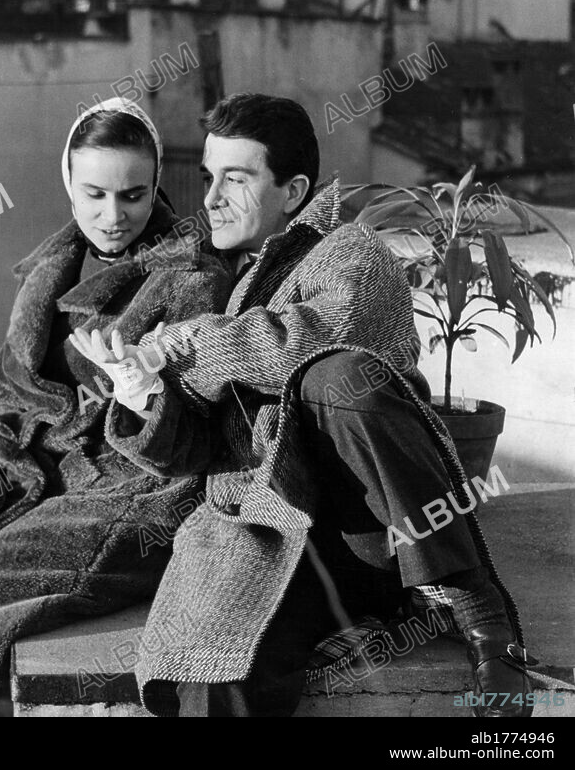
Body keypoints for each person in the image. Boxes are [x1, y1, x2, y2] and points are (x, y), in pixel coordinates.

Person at [74, 92, 532, 719]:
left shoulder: (353, 252)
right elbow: (195, 454)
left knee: (336, 377)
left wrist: (176, 344)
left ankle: (478, 610)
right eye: (208, 178)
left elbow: (303, 342)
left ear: (292, 192)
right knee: (215, 680)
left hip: (371, 534)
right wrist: (142, 392)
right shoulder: (236, 280)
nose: (211, 199)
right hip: (271, 534)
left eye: (236, 179)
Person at [0, 97, 232, 718]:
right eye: (94, 194)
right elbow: (4, 394)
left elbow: (193, 441)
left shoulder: (191, 280)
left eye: (133, 195)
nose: (113, 215)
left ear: (156, 185)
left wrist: (142, 395)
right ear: (68, 185)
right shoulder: (49, 272)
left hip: (125, 503)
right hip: (36, 486)